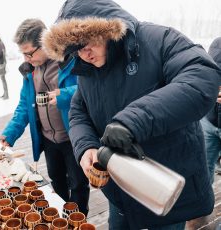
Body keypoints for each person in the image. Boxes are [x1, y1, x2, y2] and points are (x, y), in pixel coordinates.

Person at [42, 0, 220, 229]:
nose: (84, 53)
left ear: (106, 28)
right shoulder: (86, 70)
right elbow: (78, 111)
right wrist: (85, 146)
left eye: (87, 42)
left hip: (166, 191)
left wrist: (132, 122)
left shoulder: (158, 39)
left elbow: (201, 77)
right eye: (75, 47)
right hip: (119, 193)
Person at [0, 19, 90, 214]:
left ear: (44, 43)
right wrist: (8, 135)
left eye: (29, 53)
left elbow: (88, 89)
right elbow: (24, 106)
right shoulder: (30, 71)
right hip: (49, 140)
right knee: (56, 181)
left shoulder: (69, 61)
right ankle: (60, 219)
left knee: (78, 185)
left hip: (72, 138)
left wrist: (63, 95)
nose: (26, 59)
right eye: (23, 54)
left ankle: (78, 221)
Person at [201, 37, 221, 184]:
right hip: (209, 121)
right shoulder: (216, 43)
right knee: (204, 167)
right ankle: (205, 205)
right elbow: (207, 73)